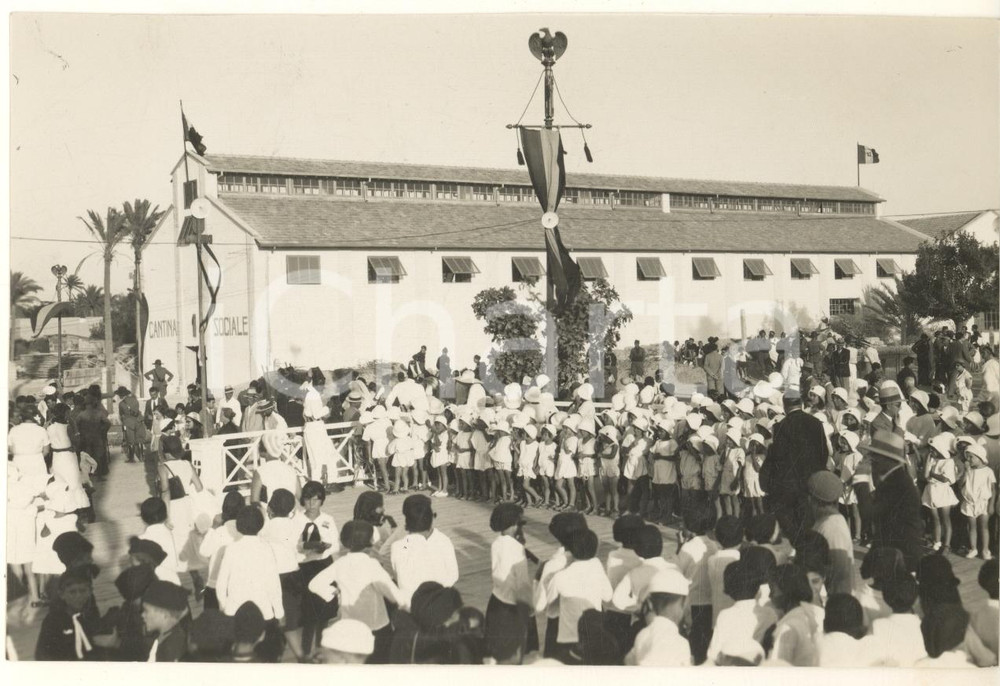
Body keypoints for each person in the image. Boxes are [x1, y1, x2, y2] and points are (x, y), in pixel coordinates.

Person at [759, 391, 828, 544]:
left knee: (793, 525)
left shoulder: (781, 426)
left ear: (784, 406)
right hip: (811, 481)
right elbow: (824, 452)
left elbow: (778, 457)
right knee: (809, 523)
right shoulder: (815, 423)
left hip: (789, 483)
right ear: (801, 404)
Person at [540, 528, 612, 663]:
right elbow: (608, 596)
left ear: (570, 550)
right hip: (593, 636)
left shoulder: (560, 577)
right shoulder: (596, 567)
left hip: (568, 638)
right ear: (595, 549)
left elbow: (548, 604)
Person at [215, 506, 285, 623]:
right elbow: (274, 584)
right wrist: (279, 613)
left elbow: (221, 583)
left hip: (234, 610)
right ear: (261, 524)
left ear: (239, 524)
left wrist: (224, 606)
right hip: (263, 610)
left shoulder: (231, 549)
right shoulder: (266, 548)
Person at [867, 431, 924, 572]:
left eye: (875, 457)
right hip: (894, 554)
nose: (872, 460)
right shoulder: (891, 478)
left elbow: (871, 513)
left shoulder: (898, 482)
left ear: (888, 459)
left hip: (905, 556)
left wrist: (860, 482)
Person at [390, 494, 459, 608]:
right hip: (438, 606)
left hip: (410, 608)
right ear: (431, 518)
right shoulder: (443, 540)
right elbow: (453, 575)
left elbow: (398, 575)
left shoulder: (399, 547)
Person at [623, 568, 692, 666]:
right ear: (684, 603)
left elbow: (628, 660)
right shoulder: (676, 642)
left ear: (650, 604)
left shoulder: (642, 635)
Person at [35, 568, 101, 661]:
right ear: (62, 594)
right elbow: (42, 655)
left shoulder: (90, 615)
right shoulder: (53, 621)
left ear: (90, 592)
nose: (78, 596)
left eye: (83, 591)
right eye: (72, 592)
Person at [806, 471, 855, 595]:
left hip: (836, 602)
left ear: (813, 500)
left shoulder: (833, 527)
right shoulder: (823, 522)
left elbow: (839, 573)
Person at [768, 563, 823, 666]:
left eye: (772, 590)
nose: (770, 595)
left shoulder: (787, 626)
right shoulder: (819, 612)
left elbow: (775, 666)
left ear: (786, 591)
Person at [869, 575, 926, 667]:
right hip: (918, 679)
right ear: (916, 598)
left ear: (885, 598)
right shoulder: (926, 626)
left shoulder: (877, 626)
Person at [960, 442, 996, 560]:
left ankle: (985, 550)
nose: (968, 459)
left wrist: (991, 505)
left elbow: (993, 490)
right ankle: (973, 548)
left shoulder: (988, 471)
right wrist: (965, 471)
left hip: (983, 503)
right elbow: (961, 485)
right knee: (972, 526)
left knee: (984, 527)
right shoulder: (968, 471)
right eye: (967, 457)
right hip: (970, 502)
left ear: (980, 457)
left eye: (971, 457)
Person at [142, 580, 192, 662]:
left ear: (164, 614)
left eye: (146, 611)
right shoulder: (167, 637)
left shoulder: (171, 648)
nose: (142, 615)